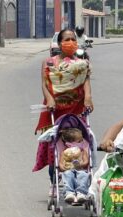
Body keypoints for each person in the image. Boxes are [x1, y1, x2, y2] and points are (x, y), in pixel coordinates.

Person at [33, 28, 94, 192]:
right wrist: (50, 98)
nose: (70, 43)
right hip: (54, 108)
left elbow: (86, 81)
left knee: (80, 142)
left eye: (73, 39)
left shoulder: (81, 63)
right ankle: (54, 180)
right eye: (66, 39)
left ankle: (81, 181)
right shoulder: (49, 62)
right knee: (54, 147)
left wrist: (88, 97)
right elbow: (45, 84)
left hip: (77, 107)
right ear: (59, 43)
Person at [58, 128, 91, 205]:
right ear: (70, 143)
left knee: (83, 175)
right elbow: (61, 163)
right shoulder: (64, 152)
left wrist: (80, 164)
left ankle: (81, 193)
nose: (82, 142)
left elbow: (86, 162)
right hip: (68, 169)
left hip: (81, 169)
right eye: (79, 141)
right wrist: (63, 168)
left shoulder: (82, 151)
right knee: (67, 174)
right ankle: (69, 193)